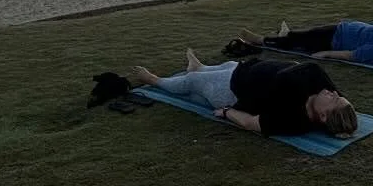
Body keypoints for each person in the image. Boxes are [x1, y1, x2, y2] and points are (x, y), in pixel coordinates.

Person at [132, 50, 357, 137]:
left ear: (324, 117)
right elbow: (318, 74)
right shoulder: (321, 90)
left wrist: (227, 112)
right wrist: (343, 126)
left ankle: (154, 80)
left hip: (230, 89)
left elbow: (252, 123)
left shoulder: (293, 121)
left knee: (192, 82)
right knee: (227, 64)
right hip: (245, 68)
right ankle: (199, 66)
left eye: (334, 98)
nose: (332, 91)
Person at [237, 20, 373, 64]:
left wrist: (326, 54)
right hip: (339, 28)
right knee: (303, 35)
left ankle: (261, 40)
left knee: (296, 41)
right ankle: (285, 35)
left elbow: (351, 55)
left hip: (331, 40)